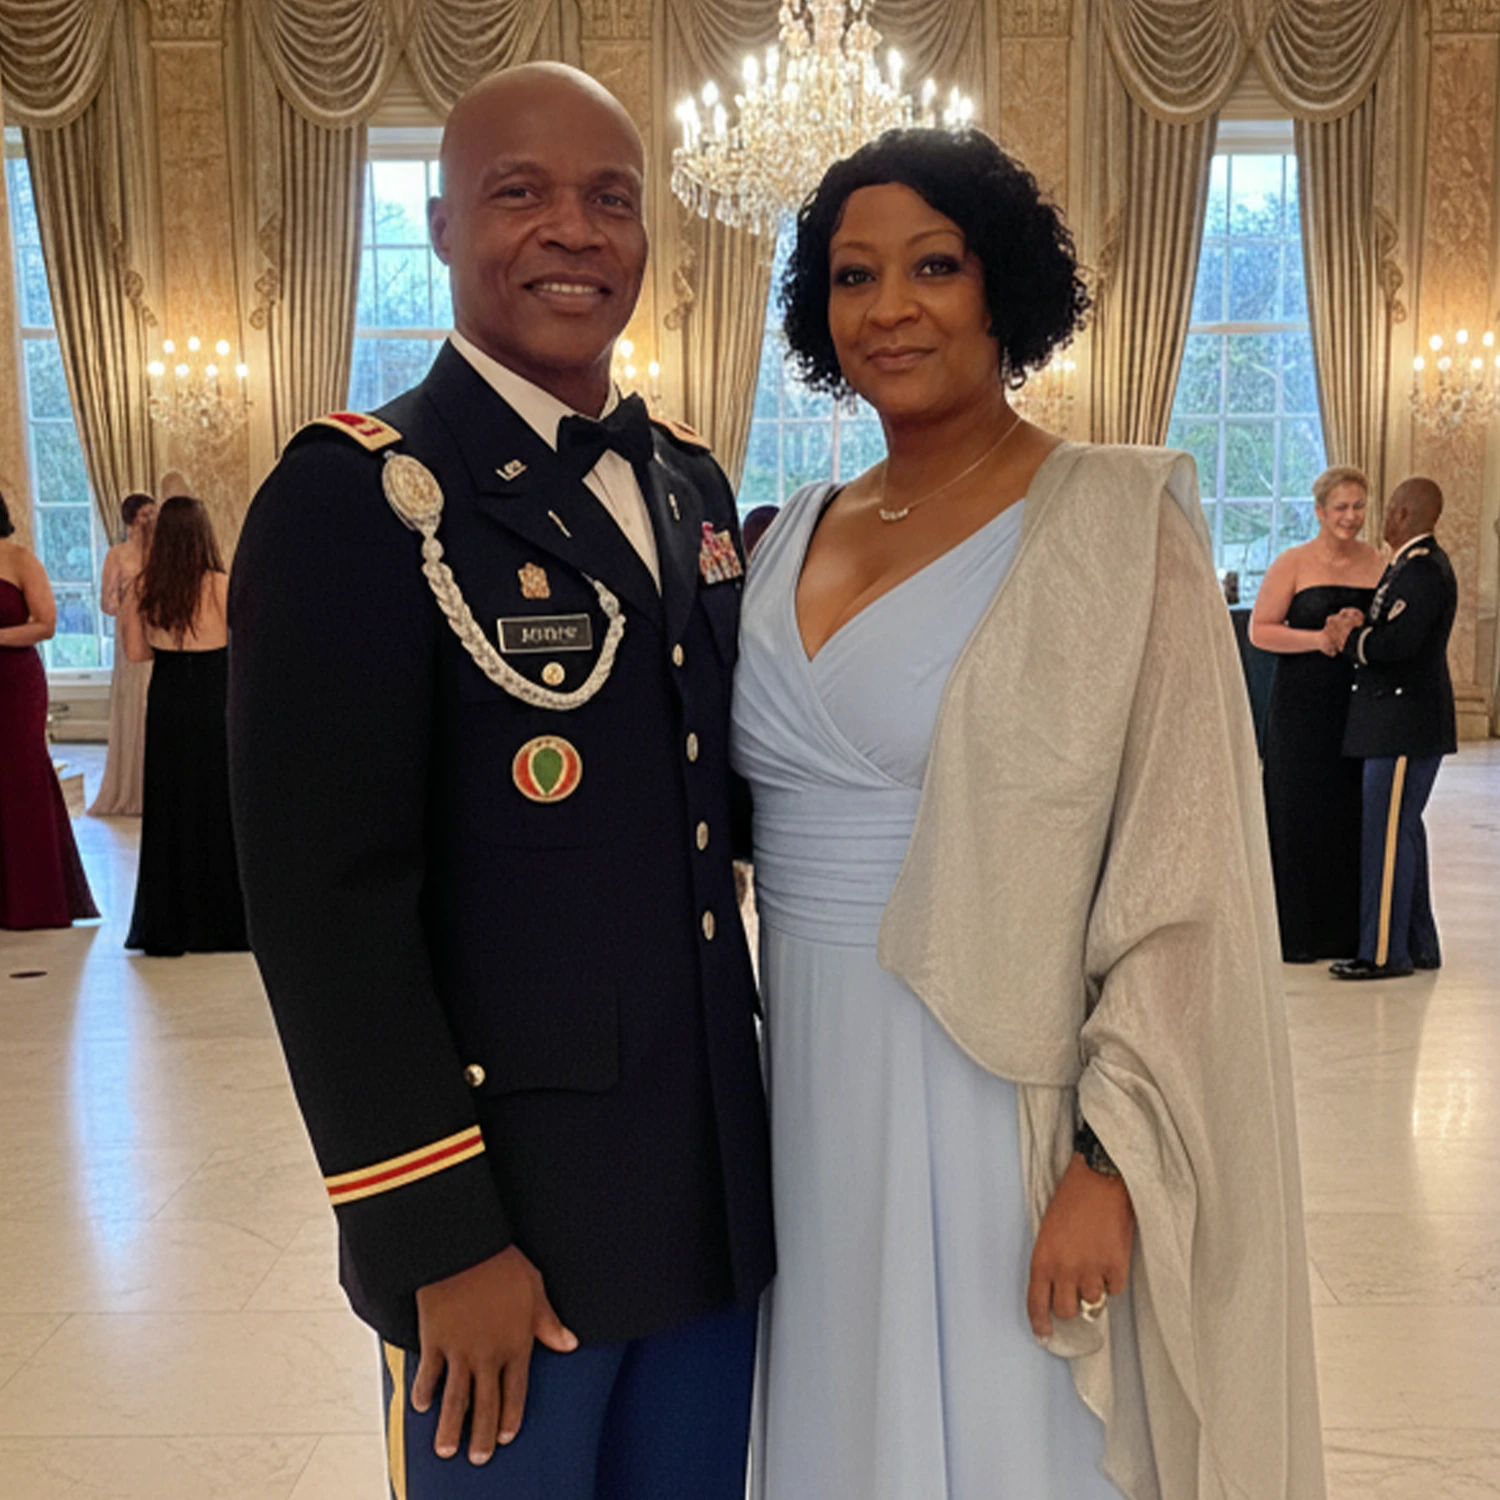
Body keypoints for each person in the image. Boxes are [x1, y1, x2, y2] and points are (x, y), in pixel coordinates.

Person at [732, 128, 1324, 1499]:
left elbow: (1183, 875)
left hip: (1004, 1097)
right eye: (853, 275)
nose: (891, 308)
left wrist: (1113, 1160)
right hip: (805, 1090)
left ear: (1003, 286)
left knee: (1013, 1428)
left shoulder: (1114, 522)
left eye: (934, 266)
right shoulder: (790, 531)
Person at [228, 63, 772, 1500]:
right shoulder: (360, 499)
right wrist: (436, 1237)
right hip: (504, 1231)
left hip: (707, 1203)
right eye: (519, 192)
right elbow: (324, 909)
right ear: (441, 225)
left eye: (611, 198)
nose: (573, 230)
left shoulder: (690, 490)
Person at [1250, 466, 1385, 961]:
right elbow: (1260, 631)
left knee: (1350, 812)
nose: (1351, 516)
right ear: (1320, 512)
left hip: (1359, 705)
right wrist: (1320, 640)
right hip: (1301, 707)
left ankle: (1349, 934)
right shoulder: (1293, 562)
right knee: (1299, 811)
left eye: (1358, 506)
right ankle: (1298, 933)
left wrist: (1357, 627)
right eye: (1341, 507)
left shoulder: (1379, 563)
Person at [1329, 477, 1458, 980]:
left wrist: (1349, 637)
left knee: (1385, 838)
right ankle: (1419, 944)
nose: (1381, 517)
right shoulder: (1408, 566)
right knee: (1402, 831)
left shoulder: (1421, 571)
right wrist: (1363, 622)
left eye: (1387, 509)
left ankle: (1382, 953)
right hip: (1396, 721)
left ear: (1403, 513)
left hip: (1402, 723)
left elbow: (1396, 647)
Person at [118, 494, 247, 956]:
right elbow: (247, 648)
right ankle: (223, 923)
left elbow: (137, 654)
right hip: (215, 700)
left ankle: (170, 922)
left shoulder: (143, 587)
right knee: (217, 803)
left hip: (168, 701)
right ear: (202, 535)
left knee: (170, 805)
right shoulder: (222, 586)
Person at [0, 491, 99, 929]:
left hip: (15, 681)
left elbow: (46, 623)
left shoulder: (20, 559)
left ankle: (35, 899)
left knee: (21, 774)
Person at [90, 490, 158, 816]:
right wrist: (128, 600)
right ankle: (133, 787)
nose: (151, 520)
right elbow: (106, 603)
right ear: (131, 520)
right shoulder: (117, 555)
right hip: (131, 638)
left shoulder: (162, 553)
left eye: (153, 514)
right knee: (136, 704)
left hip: (159, 636)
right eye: (145, 514)